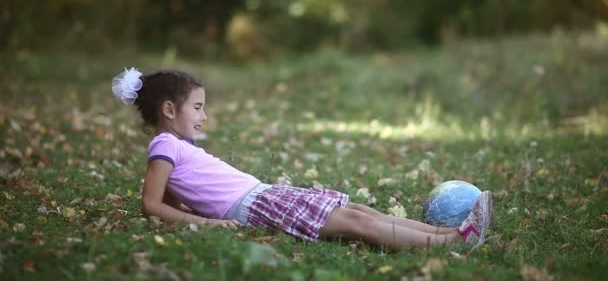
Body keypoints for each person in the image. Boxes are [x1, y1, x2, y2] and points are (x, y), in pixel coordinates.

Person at [111, 67, 492, 250]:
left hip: (264, 194)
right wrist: (206, 224)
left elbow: (174, 195)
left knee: (359, 210)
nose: (204, 115)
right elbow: (151, 203)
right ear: (169, 109)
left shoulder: (176, 147)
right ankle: (451, 245)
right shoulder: (164, 146)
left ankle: (450, 234)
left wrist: (192, 211)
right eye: (197, 107)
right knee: (355, 223)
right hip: (256, 205)